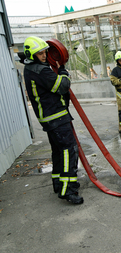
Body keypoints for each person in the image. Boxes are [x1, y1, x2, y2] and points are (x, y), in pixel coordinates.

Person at [23, 36, 83, 204]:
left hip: (50, 119)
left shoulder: (31, 68)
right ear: (32, 54)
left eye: (44, 52)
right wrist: (64, 72)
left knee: (58, 152)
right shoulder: (41, 70)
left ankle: (58, 182)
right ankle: (67, 190)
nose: (44, 55)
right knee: (69, 151)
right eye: (40, 53)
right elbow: (62, 86)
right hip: (56, 117)